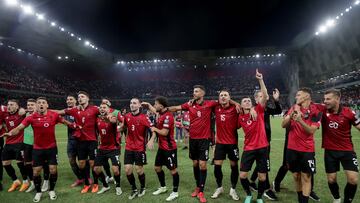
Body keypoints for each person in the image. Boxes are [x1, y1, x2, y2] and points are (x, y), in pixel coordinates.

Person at [166, 85, 233, 203]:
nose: (194, 93)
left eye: (196, 91)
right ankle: (198, 186)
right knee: (195, 163)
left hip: (204, 139)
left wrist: (237, 104)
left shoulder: (210, 104)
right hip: (193, 139)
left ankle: (201, 190)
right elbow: (176, 108)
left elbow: (225, 100)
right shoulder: (189, 104)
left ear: (202, 93)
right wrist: (164, 109)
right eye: (193, 91)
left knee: (202, 164)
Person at [1, 97, 76, 202]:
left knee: (53, 170)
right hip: (37, 149)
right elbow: (19, 128)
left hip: (52, 148)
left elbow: (64, 121)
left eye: (43, 103)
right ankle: (38, 192)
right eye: (39, 103)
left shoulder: (53, 115)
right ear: (37, 106)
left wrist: (74, 126)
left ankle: (51, 190)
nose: (41, 104)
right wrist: (10, 133)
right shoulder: (31, 117)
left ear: (47, 105)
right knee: (36, 172)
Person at [317, 89, 360, 203]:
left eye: (328, 99)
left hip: (347, 151)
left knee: (353, 179)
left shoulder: (349, 112)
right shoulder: (323, 112)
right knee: (331, 180)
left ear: (337, 99)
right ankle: (336, 198)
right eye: (324, 99)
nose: (325, 101)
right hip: (330, 151)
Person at [281, 87, 322, 203]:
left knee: (306, 177)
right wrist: (290, 116)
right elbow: (283, 125)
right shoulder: (293, 108)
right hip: (291, 149)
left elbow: (311, 131)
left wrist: (300, 120)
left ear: (306, 97)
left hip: (307, 150)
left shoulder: (316, 111)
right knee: (296, 176)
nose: (296, 97)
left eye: (298, 95)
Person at [57, 91, 100, 193]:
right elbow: (59, 112)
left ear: (87, 99)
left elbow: (108, 112)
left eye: (82, 96)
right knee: (81, 163)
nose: (80, 98)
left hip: (92, 141)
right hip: (80, 141)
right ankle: (86, 184)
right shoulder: (75, 110)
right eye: (79, 97)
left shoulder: (94, 109)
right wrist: (43, 110)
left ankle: (96, 183)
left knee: (93, 163)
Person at [238, 69, 269, 203]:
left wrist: (260, 80)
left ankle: (260, 197)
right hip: (249, 149)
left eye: (249, 101)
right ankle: (249, 194)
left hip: (262, 147)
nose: (247, 102)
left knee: (262, 177)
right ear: (241, 104)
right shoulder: (239, 117)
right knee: (243, 175)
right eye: (244, 101)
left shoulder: (258, 110)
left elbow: (265, 96)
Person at [143, 96, 180, 201]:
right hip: (162, 147)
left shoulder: (168, 116)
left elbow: (164, 132)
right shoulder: (160, 113)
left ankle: (175, 192)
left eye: (155, 104)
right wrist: (149, 105)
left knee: (173, 170)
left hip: (169, 148)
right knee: (157, 168)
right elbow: (155, 111)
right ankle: (163, 187)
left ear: (161, 106)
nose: (154, 106)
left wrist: (154, 128)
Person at [210, 90, 240, 201]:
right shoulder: (216, 108)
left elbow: (243, 107)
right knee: (217, 167)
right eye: (221, 95)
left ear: (229, 97)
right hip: (220, 143)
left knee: (234, 166)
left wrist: (236, 103)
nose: (223, 97)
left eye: (225, 95)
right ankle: (219, 187)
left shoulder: (235, 108)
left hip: (232, 143)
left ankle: (233, 189)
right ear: (218, 98)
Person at [121, 98, 152, 200]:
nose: (132, 105)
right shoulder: (127, 116)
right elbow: (124, 127)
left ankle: (142, 187)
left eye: (134, 103)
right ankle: (134, 189)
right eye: (130, 103)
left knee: (139, 170)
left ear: (139, 106)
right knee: (127, 170)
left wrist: (151, 140)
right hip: (129, 147)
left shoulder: (144, 117)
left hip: (139, 148)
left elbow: (153, 129)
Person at [93, 103, 122, 195]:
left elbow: (114, 122)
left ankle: (118, 186)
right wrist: (98, 144)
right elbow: (98, 134)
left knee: (116, 170)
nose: (102, 109)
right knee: (96, 169)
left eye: (104, 107)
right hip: (102, 148)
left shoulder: (112, 117)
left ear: (109, 109)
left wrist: (108, 119)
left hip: (113, 148)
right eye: (100, 107)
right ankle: (106, 186)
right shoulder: (97, 119)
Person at [1, 99, 28, 192]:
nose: (9, 106)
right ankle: (16, 181)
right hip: (8, 142)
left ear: (17, 106)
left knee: (19, 163)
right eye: (8, 104)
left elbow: (30, 110)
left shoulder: (21, 114)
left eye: (12, 104)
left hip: (20, 142)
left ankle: (25, 181)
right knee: (5, 163)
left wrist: (23, 109)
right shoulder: (5, 115)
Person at [64, 95, 83, 187]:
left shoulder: (81, 109)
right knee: (71, 160)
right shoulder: (66, 112)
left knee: (82, 161)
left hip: (81, 140)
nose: (68, 101)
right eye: (67, 99)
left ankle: (86, 177)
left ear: (76, 101)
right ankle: (80, 178)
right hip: (71, 140)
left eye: (71, 99)